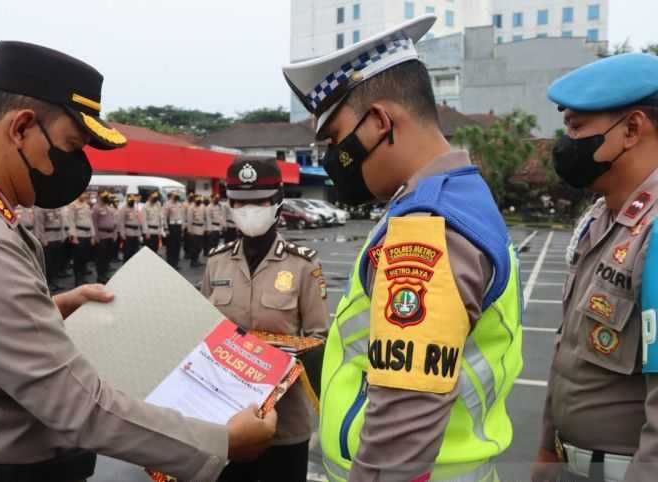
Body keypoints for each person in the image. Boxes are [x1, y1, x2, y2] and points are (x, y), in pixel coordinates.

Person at [0, 40, 277, 482]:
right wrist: (222, 441)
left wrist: (46, 313)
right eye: (72, 146)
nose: (76, 167)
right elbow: (80, 405)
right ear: (21, 128)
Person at [282, 14, 524, 482]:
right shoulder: (454, 199)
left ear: (378, 122)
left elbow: (400, 435)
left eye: (334, 140)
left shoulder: (427, 225)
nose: (333, 159)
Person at [530, 53, 658, 482]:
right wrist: (548, 452)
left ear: (632, 130)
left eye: (576, 128)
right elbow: (568, 351)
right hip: (571, 465)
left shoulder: (653, 231)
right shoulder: (600, 220)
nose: (565, 143)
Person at [202, 158, 329, 482]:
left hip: (285, 424)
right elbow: (200, 333)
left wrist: (272, 357)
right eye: (240, 202)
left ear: (277, 201)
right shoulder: (216, 263)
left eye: (258, 201)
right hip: (227, 420)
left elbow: (319, 339)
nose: (249, 209)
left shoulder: (303, 265)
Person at [66, 192, 96, 287]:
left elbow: (90, 220)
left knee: (84, 258)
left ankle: (82, 278)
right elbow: (71, 221)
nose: (85, 196)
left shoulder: (86, 205)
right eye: (83, 194)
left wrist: (92, 235)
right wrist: (73, 236)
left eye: (86, 194)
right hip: (79, 235)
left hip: (87, 235)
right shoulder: (73, 205)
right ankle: (77, 280)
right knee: (77, 259)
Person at [35, 206, 66, 291]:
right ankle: (48, 283)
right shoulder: (42, 208)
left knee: (56, 261)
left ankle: (54, 282)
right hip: (48, 238)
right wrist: (42, 239)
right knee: (48, 263)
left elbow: (61, 222)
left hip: (57, 237)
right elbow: (39, 224)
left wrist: (62, 235)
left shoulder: (57, 207)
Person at [92, 191, 119, 283]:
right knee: (101, 258)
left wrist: (114, 234)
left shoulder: (109, 208)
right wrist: (96, 236)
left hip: (110, 236)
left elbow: (115, 223)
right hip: (101, 236)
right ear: (99, 196)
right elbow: (94, 223)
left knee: (107, 257)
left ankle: (104, 274)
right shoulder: (96, 208)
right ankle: (100, 276)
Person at [118, 193, 144, 264]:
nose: (132, 201)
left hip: (136, 233)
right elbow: (121, 222)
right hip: (128, 233)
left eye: (133, 200)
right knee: (127, 252)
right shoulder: (123, 209)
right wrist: (122, 234)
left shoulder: (135, 209)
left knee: (135, 251)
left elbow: (139, 222)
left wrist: (140, 234)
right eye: (131, 200)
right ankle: (126, 265)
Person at [164, 191, 185, 269]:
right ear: (172, 196)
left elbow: (182, 216)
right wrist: (166, 228)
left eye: (178, 196)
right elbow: (165, 217)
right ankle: (170, 263)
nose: (177, 197)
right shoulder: (167, 204)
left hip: (178, 227)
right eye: (175, 195)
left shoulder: (180, 204)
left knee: (177, 246)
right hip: (171, 227)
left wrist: (182, 227)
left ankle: (176, 263)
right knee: (171, 246)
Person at [187, 194, 207, 267]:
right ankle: (193, 261)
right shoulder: (191, 207)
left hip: (201, 229)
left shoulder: (203, 206)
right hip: (194, 228)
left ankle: (197, 260)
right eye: (197, 199)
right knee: (194, 247)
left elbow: (205, 217)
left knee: (199, 247)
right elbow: (189, 219)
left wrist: (206, 228)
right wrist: (189, 230)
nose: (198, 201)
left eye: (199, 199)